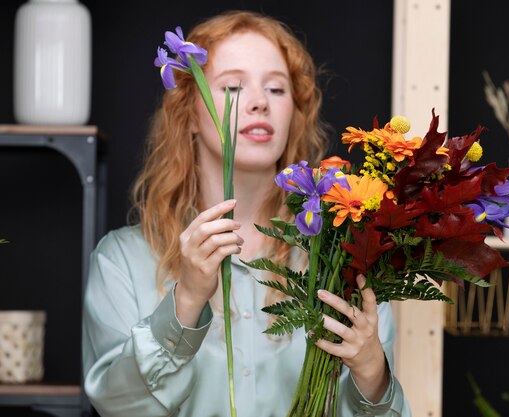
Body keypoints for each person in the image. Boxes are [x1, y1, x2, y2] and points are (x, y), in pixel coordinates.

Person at [82, 10, 411, 417]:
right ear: (188, 116)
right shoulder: (121, 262)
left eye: (276, 89)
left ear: (294, 114)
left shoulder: (342, 259)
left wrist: (371, 373)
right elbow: (116, 405)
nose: (258, 102)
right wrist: (185, 301)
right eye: (234, 86)